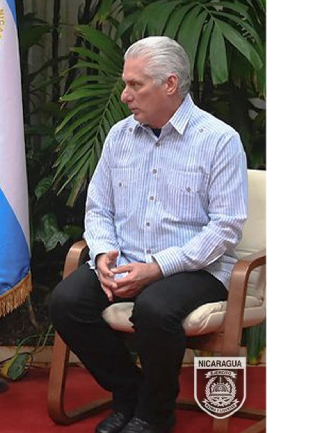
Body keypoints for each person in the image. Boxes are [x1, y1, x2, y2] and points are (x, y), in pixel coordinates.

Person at [47, 36, 247, 433]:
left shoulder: (219, 140)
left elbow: (226, 226)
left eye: (135, 85)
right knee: (66, 302)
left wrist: (157, 268)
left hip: (196, 268)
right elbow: (98, 208)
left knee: (154, 309)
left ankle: (155, 414)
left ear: (169, 84)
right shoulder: (119, 136)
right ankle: (129, 394)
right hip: (125, 259)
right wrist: (103, 254)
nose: (124, 95)